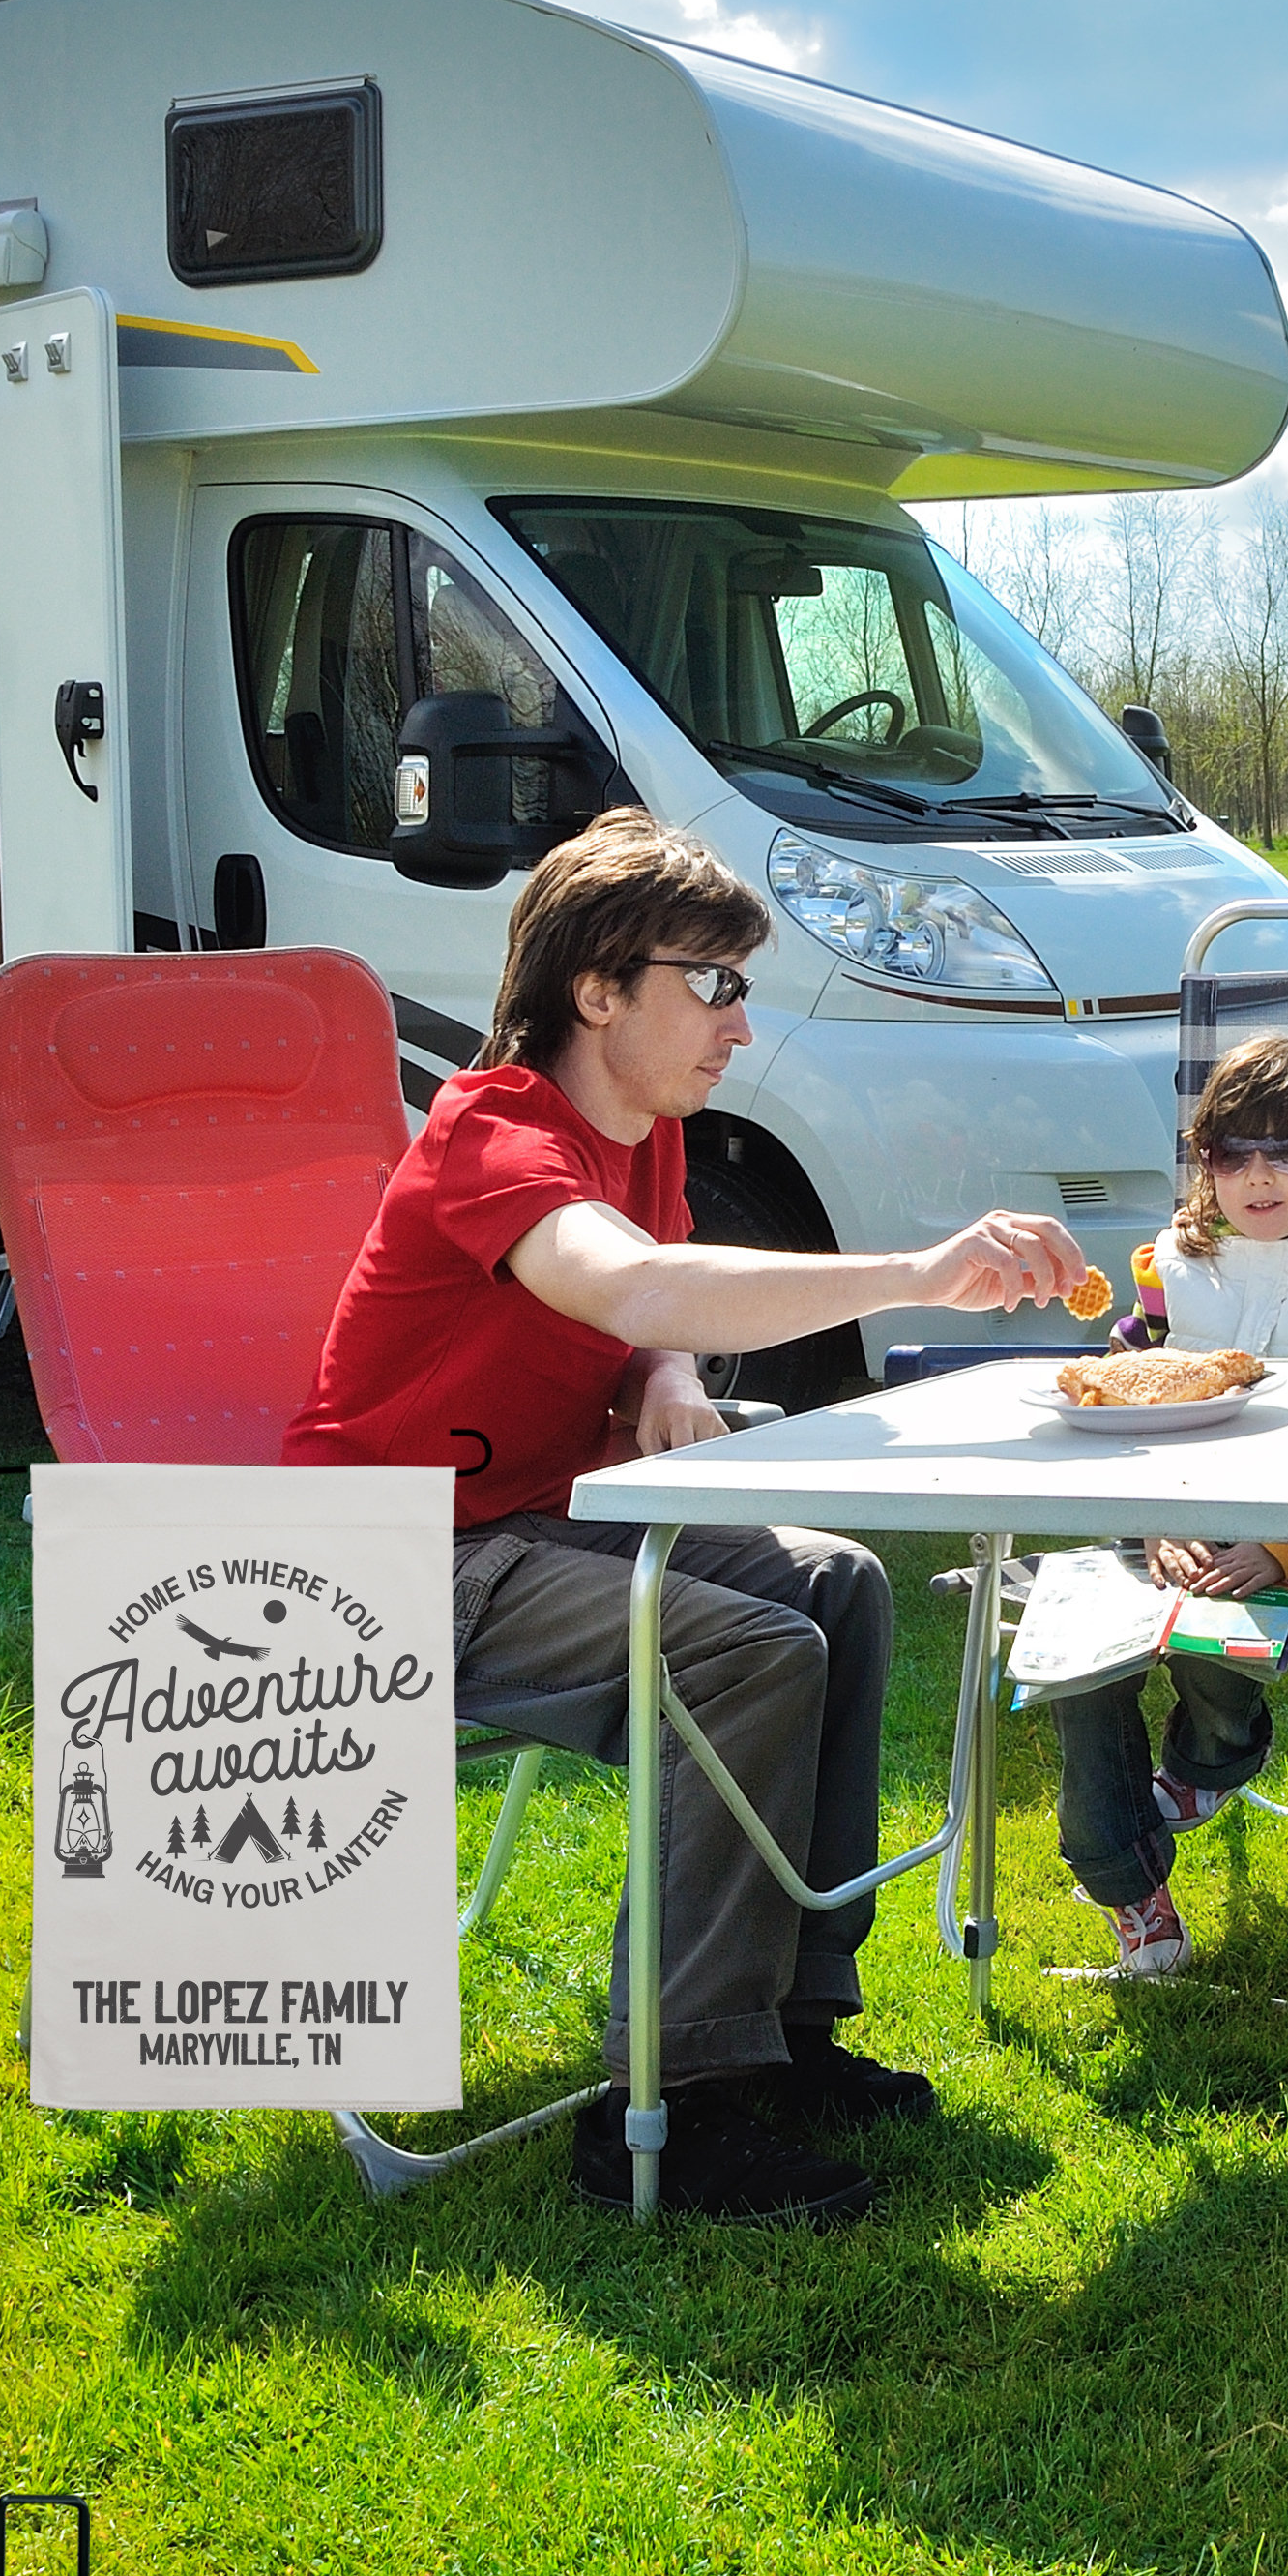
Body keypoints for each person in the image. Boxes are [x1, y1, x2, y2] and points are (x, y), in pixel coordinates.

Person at [286, 809, 1092, 2224]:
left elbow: (637, 1293)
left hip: (535, 1516)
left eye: (741, 983)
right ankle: (671, 2102)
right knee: (739, 1651)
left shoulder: (643, 1134)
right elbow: (631, 1281)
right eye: (711, 982)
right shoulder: (495, 1131)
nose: (739, 1017)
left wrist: (659, 1372)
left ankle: (789, 2031)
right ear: (598, 991)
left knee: (837, 1587)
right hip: (391, 1555)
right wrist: (916, 1273)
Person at [1054, 1035, 1288, 1974]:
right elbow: (1113, 1398)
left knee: (1215, 1627)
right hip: (1164, 1514)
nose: (1257, 1176)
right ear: (1207, 1166)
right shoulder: (1166, 1271)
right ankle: (1127, 1878)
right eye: (1232, 1154)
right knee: (1075, 1647)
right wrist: (1155, 1516)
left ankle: (1206, 1762)